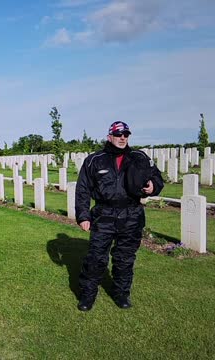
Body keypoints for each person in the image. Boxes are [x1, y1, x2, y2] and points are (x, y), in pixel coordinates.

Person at [75, 121, 164, 311]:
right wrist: (83, 216)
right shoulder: (94, 160)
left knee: (125, 258)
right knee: (96, 258)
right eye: (118, 134)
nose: (123, 137)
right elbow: (83, 189)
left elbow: (157, 177)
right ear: (110, 137)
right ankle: (87, 296)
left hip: (131, 215)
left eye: (126, 134)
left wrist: (153, 187)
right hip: (104, 215)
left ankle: (121, 293)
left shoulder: (139, 157)